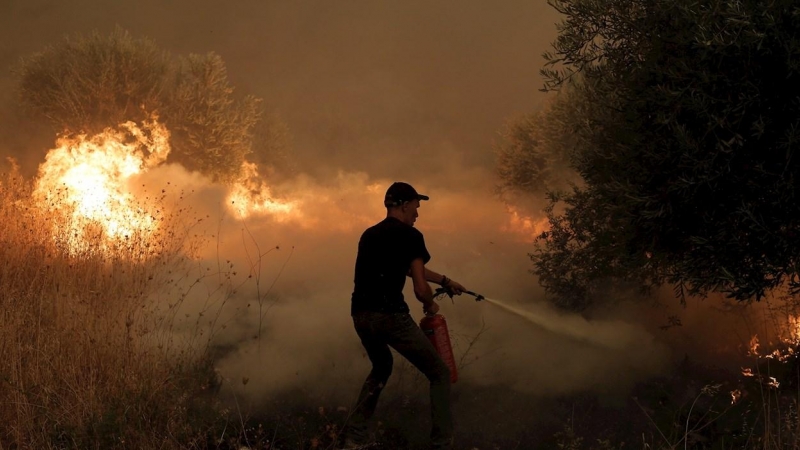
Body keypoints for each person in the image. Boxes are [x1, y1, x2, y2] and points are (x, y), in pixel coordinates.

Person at [341, 181, 467, 450]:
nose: (418, 214)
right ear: (404, 205)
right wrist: (431, 305)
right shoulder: (411, 236)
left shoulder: (370, 234)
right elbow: (420, 288)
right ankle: (442, 443)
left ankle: (354, 437)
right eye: (416, 207)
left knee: (382, 367)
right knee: (439, 374)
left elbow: (408, 269)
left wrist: (445, 280)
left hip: (361, 316)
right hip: (391, 317)